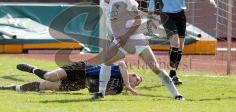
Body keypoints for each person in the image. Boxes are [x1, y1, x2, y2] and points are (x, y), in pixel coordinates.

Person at [85, 0, 184, 100]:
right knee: (106, 61)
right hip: (119, 42)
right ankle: (101, 93)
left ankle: (177, 95)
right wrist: (111, 38)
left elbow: (137, 21)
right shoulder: (104, 4)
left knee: (155, 67)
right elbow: (110, 24)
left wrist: (125, 37)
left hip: (136, 39)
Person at [148, 0, 217, 85]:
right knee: (174, 43)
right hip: (166, 15)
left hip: (180, 14)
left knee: (181, 46)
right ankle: (172, 75)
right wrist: (151, 10)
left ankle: (173, 73)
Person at [0, 61, 142, 95]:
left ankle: (11, 87)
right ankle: (32, 68)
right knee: (49, 76)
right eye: (136, 78)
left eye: (137, 83)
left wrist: (123, 88)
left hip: (81, 84)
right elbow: (123, 63)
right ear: (131, 75)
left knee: (46, 86)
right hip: (81, 69)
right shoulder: (120, 69)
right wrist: (128, 85)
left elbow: (94, 91)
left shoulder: (117, 89)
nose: (135, 81)